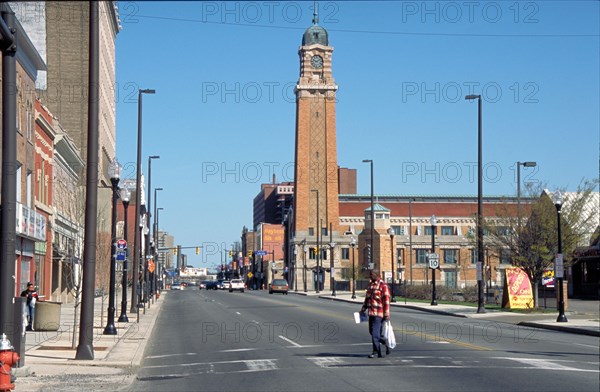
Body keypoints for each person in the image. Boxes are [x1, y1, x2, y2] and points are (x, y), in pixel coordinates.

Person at [360, 269, 391, 358]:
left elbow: (386, 301)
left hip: (379, 314)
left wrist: (387, 314)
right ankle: (385, 343)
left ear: (377, 275)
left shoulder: (383, 285)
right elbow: (367, 299)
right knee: (372, 332)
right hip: (371, 313)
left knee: (375, 334)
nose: (370, 276)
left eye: (371, 274)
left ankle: (376, 351)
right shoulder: (370, 285)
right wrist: (363, 310)